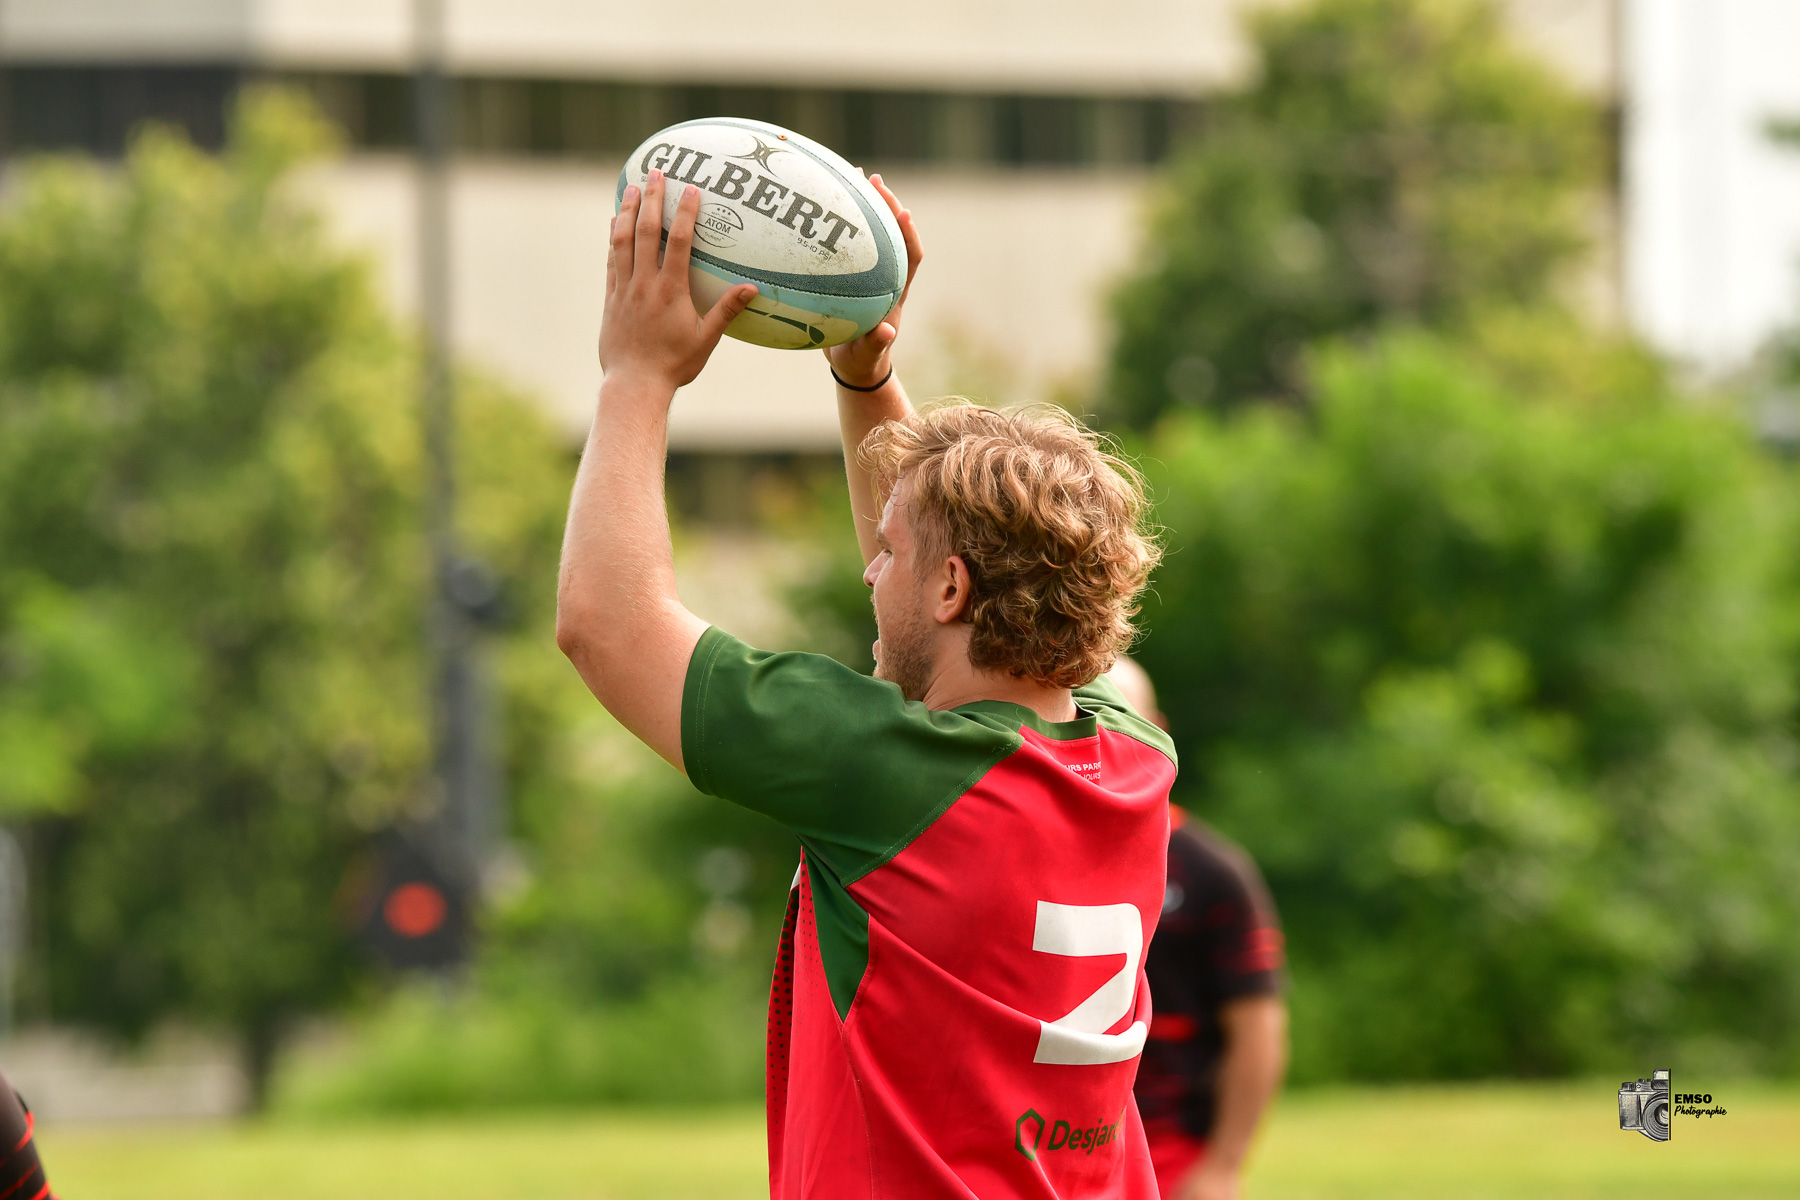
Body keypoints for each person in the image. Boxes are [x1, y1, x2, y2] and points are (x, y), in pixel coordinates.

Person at [556, 168, 1173, 1198]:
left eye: (888, 553)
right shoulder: (1134, 757)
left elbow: (605, 626)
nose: (868, 571)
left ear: (952, 586)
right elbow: (947, 570)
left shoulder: (891, 777)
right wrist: (864, 377)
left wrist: (635, 377)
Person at [1108, 660, 1287, 1200]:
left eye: (1117, 716)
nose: (1100, 734)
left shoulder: (1211, 870)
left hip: (1171, 1154)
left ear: (1154, 729)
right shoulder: (1021, 848)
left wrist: (1223, 1166)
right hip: (1041, 1149)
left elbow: (1258, 1028)